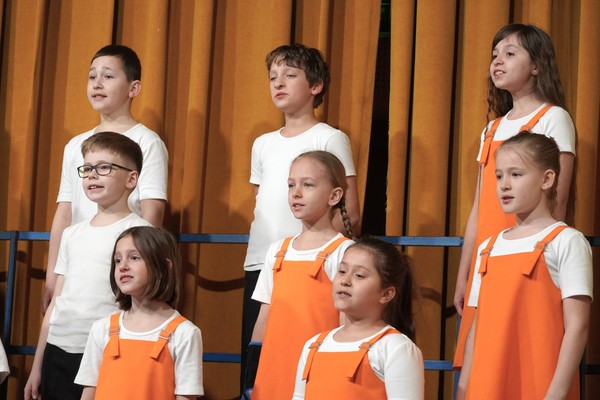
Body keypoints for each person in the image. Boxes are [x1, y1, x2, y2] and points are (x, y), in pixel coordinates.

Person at [453, 24, 576, 368]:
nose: (497, 61)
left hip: (527, 260)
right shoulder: (491, 129)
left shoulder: (553, 118)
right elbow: (479, 209)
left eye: (509, 54)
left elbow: (558, 200)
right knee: (481, 365)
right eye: (495, 55)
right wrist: (465, 273)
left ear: (536, 65)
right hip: (489, 260)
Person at [241, 43, 360, 390]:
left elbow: (350, 209)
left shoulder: (330, 138)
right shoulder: (262, 143)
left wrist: (314, 250)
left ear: (316, 86)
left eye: (290, 75)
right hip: (263, 262)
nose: (278, 83)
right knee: (261, 357)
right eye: (273, 77)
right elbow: (262, 202)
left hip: (312, 266)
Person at [456, 132, 592, 399]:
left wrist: (555, 395)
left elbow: (577, 327)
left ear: (547, 179)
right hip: (486, 388)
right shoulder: (487, 247)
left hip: (539, 386)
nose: (504, 185)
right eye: (498, 176)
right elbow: (475, 331)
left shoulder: (566, 241)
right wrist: (464, 392)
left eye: (516, 174)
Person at [24, 132, 152, 400]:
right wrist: (37, 366)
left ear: (131, 179)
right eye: (87, 168)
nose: (92, 175)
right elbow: (57, 301)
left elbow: (145, 303)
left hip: (108, 350)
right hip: (58, 350)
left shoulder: (140, 233)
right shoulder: (72, 234)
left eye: (104, 167)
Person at [43, 44, 168, 311]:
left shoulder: (147, 141)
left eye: (108, 76)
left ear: (133, 88)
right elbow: (65, 212)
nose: (97, 83)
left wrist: (140, 269)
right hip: (78, 264)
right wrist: (52, 275)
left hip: (119, 266)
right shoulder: (75, 145)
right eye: (92, 76)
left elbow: (152, 211)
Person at [244, 151, 356, 399]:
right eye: (291, 185)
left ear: (334, 195)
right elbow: (264, 317)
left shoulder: (344, 252)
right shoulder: (277, 250)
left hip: (317, 375)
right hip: (273, 375)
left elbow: (346, 322)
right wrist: (252, 374)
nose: (296, 193)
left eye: (308, 185)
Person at [75, 226, 204, 399]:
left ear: (164, 267)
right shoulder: (101, 328)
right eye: (118, 260)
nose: (123, 266)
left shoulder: (184, 333)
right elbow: (89, 392)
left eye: (134, 258)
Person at [293, 236, 424, 399]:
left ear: (386, 294)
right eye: (342, 271)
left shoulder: (394, 347)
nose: (345, 281)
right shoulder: (313, 346)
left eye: (359, 275)